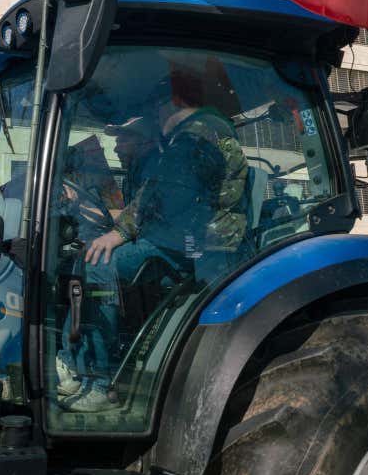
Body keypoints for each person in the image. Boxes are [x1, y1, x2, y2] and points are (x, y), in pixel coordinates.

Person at [59, 66, 247, 412]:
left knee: (99, 265)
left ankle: (101, 382)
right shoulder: (202, 132)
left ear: (173, 101)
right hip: (190, 238)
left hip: (199, 247)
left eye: (157, 106)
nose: (156, 115)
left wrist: (117, 235)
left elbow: (163, 194)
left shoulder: (195, 135)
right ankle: (85, 365)